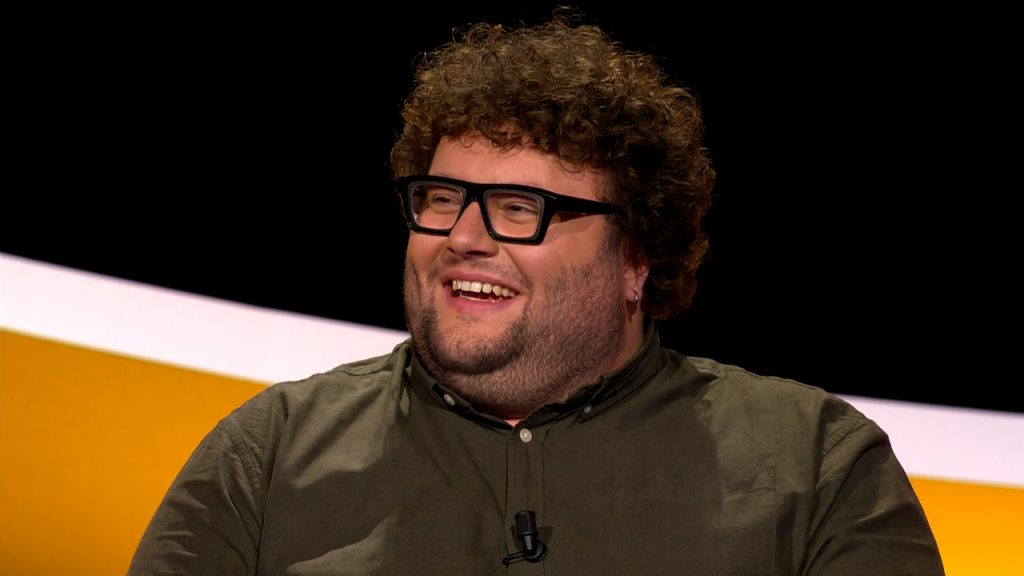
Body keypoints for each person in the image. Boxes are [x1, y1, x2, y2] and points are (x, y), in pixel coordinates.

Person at [129, 14, 944, 575]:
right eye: (441, 198)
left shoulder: (814, 465)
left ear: (637, 256)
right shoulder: (268, 455)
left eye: (520, 209)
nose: (463, 236)